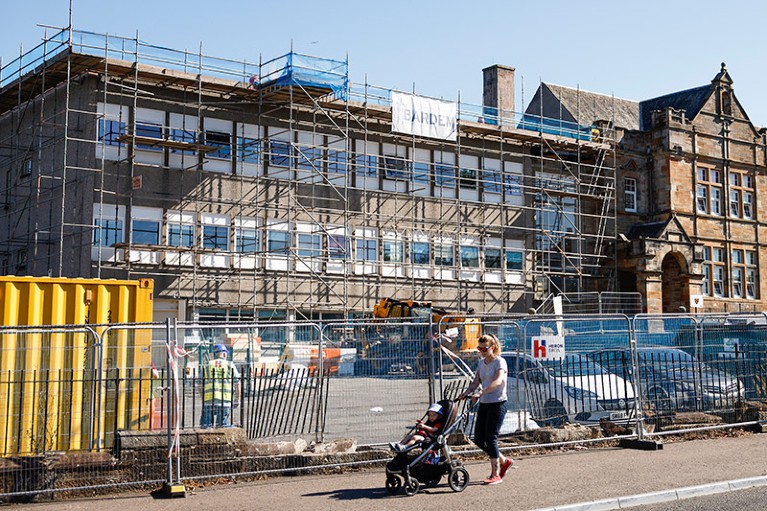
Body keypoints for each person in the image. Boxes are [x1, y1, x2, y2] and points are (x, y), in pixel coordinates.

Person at [458, 333, 513, 485]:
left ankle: (495, 474)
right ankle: (503, 460)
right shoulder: (482, 363)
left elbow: (497, 382)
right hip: (485, 403)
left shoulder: (500, 362)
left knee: (491, 438)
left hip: (498, 403)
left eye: (484, 348)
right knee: (478, 438)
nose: (481, 351)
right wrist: (466, 393)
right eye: (479, 348)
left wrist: (481, 392)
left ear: (493, 348)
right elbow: (476, 381)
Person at [201, 343, 241, 428]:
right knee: (222, 426)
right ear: (224, 354)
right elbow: (237, 383)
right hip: (225, 400)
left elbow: (200, 384)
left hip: (209, 400)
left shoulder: (207, 365)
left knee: (206, 427)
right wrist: (237, 398)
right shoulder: (230, 365)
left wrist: (203, 398)